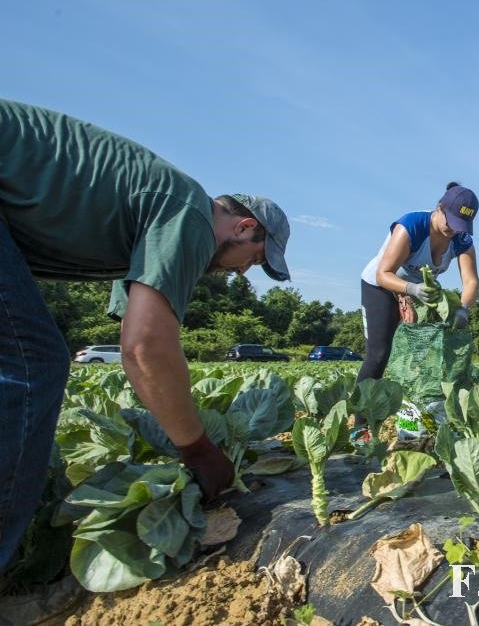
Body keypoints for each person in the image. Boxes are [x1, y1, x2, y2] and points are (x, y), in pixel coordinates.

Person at [0, 98, 291, 571]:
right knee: (32, 366)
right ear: (244, 226)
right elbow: (143, 348)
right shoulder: (191, 216)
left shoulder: (151, 223)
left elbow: (136, 337)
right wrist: (198, 447)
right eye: (255, 260)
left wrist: (175, 407)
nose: (243, 273)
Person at [357, 182, 479, 388]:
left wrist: (463, 309)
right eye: (451, 221)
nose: (453, 229)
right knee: (379, 354)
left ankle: (413, 417)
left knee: (421, 357)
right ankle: (361, 416)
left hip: (419, 297)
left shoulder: (461, 238)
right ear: (440, 207)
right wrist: (412, 289)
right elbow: (383, 273)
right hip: (382, 287)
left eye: (460, 225)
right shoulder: (412, 225)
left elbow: (471, 280)